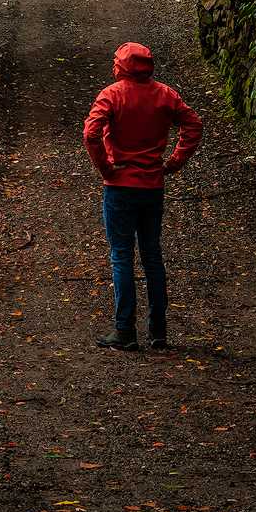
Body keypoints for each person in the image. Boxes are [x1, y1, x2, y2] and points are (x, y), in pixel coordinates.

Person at [82, 41, 203, 352]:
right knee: (152, 256)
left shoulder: (112, 95)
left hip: (119, 187)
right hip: (152, 186)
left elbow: (91, 133)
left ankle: (125, 330)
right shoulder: (165, 95)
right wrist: (173, 162)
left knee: (121, 256)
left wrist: (106, 168)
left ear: (120, 66)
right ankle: (158, 331)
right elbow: (193, 124)